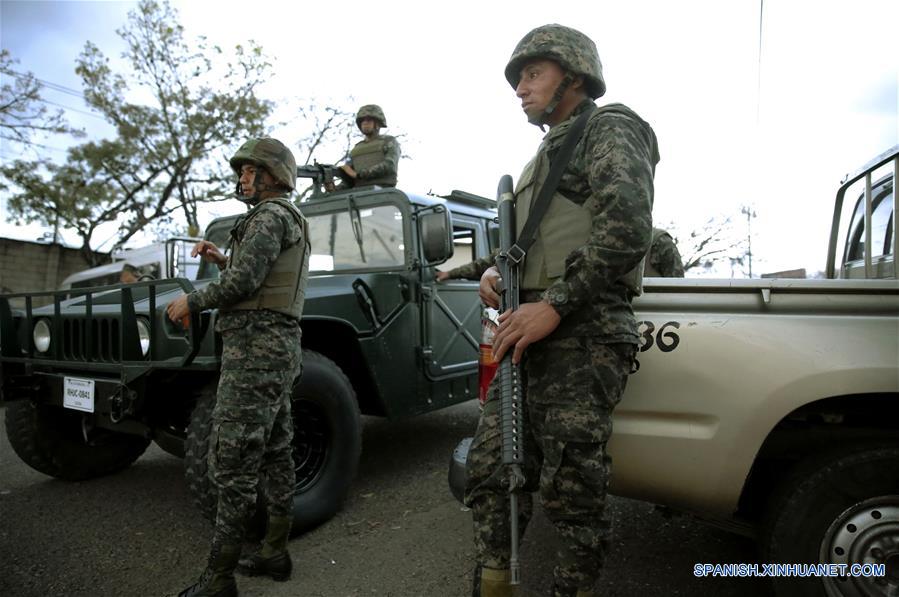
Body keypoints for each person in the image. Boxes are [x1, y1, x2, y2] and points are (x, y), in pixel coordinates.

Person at [463, 25, 659, 597]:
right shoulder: (543, 156)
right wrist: (500, 273)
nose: (519, 88)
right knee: (491, 472)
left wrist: (553, 303)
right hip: (527, 333)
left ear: (572, 75)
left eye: (532, 74)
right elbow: (542, 239)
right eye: (519, 78)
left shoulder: (610, 127)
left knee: (572, 489)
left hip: (583, 332)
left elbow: (626, 229)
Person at [166, 137, 310, 597]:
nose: (242, 178)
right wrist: (221, 259)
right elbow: (257, 274)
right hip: (276, 345)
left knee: (232, 460)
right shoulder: (283, 217)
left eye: (251, 171)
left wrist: (193, 299)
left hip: (256, 349)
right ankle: (274, 552)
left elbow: (245, 283)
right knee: (275, 448)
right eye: (242, 171)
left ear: (274, 175)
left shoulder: (269, 216)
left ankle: (219, 577)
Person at [337, 104, 400, 188]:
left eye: (369, 120)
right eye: (362, 121)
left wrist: (360, 175)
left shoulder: (388, 141)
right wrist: (333, 187)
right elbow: (349, 178)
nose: (365, 123)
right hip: (359, 194)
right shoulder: (356, 149)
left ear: (377, 124)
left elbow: (389, 165)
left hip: (384, 190)